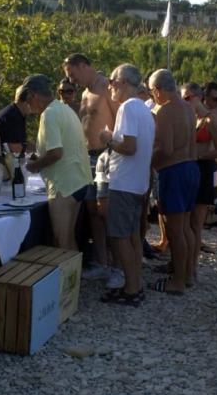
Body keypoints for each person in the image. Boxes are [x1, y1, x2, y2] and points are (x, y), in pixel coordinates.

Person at [96, 64, 155, 305]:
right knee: (132, 237)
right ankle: (135, 285)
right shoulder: (143, 108)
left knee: (119, 237)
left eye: (112, 81)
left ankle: (131, 290)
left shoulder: (128, 108)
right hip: (137, 183)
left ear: (122, 83)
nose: (109, 85)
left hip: (124, 183)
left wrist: (109, 139)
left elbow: (130, 147)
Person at [62, 53, 119, 280]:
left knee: (108, 212)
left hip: (106, 156)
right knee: (93, 211)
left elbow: (119, 119)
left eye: (72, 74)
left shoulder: (106, 88)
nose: (71, 80)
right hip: (86, 157)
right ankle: (102, 262)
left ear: (83, 66)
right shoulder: (85, 92)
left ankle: (118, 265)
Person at [22, 74, 92, 251]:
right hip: (79, 180)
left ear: (34, 95)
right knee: (68, 238)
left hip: (64, 184)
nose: (28, 105)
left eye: (28, 99)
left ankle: (68, 279)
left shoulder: (49, 114)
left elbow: (56, 153)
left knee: (61, 241)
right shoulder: (64, 109)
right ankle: (74, 278)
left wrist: (32, 166)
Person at [147, 69, 198, 295]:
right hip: (191, 168)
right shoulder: (189, 109)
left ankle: (177, 282)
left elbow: (165, 149)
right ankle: (186, 275)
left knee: (175, 230)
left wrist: (149, 161)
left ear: (158, 90)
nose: (152, 97)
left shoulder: (165, 111)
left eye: (152, 92)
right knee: (185, 227)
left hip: (174, 171)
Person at [183, 83, 217, 281]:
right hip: (192, 168)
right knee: (187, 221)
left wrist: (199, 155)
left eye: (185, 98)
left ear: (195, 97)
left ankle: (192, 270)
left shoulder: (209, 120)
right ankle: (183, 266)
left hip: (205, 169)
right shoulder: (191, 118)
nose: (183, 102)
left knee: (196, 224)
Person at [0, 85, 32, 154]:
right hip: (0, 159)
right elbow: (15, 148)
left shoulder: (16, 113)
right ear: (26, 101)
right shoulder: (12, 116)